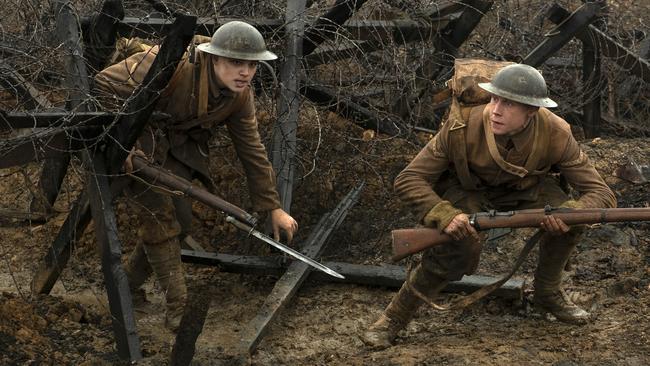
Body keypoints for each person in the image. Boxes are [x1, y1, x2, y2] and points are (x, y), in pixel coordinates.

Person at [361, 63, 616, 349]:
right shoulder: (461, 126)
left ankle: (547, 293)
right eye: (494, 98)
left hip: (527, 190)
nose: (495, 109)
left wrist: (570, 213)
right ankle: (393, 318)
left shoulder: (556, 132)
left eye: (508, 103)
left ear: (531, 111)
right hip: (468, 189)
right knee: (455, 246)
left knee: (572, 221)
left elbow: (599, 192)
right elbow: (409, 178)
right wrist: (444, 214)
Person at [93, 21, 298, 331]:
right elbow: (102, 85)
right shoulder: (168, 63)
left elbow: (252, 150)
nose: (245, 72)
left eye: (252, 65)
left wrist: (272, 207)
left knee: (182, 220)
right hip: (131, 142)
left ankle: (126, 287)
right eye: (235, 63)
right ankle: (179, 309)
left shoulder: (239, 97)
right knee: (160, 217)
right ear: (214, 58)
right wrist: (124, 143)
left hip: (170, 147)